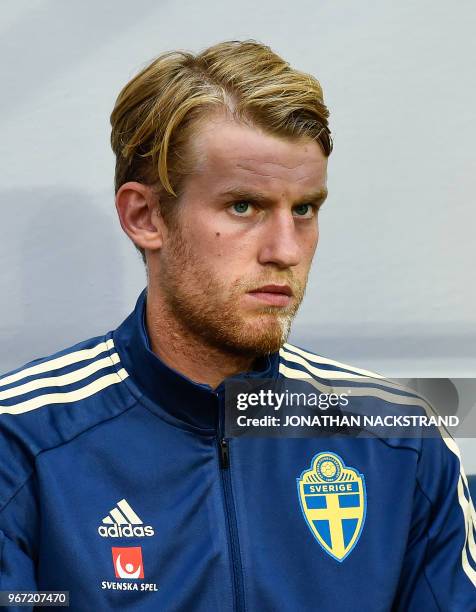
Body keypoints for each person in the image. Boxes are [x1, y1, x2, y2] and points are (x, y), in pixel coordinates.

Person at [0, 40, 475, 611]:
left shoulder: (403, 442)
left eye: (304, 209)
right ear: (145, 216)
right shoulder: (22, 442)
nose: (285, 250)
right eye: (244, 207)